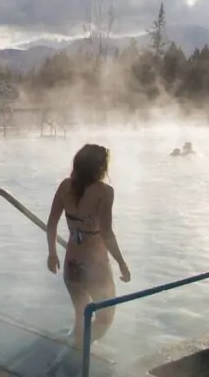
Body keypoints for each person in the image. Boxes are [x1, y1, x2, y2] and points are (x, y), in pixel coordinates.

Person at [46, 143, 130, 350]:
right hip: (95, 265)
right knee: (106, 317)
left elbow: (52, 222)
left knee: (80, 314)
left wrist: (52, 254)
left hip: (71, 263)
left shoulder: (65, 187)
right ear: (100, 168)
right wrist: (121, 262)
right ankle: (80, 349)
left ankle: (74, 350)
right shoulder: (104, 192)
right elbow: (106, 232)